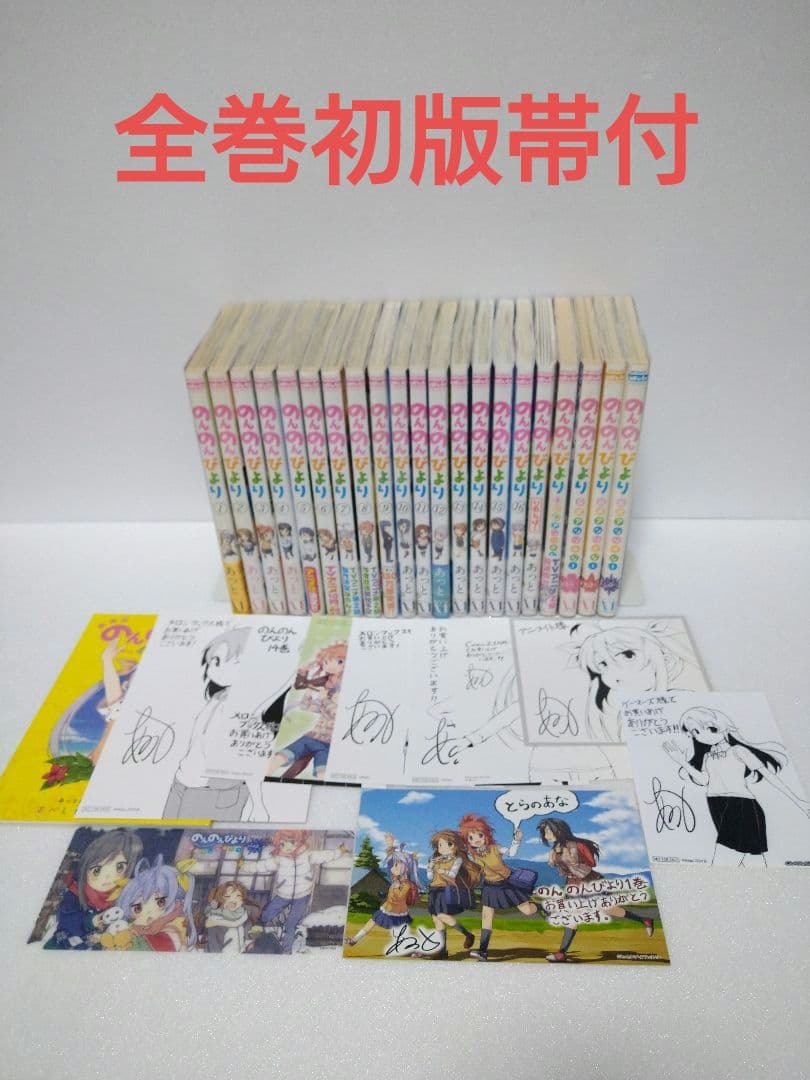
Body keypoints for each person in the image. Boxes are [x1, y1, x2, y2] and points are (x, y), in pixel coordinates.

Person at [664, 706, 810, 865]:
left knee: (723, 859)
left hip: (740, 805)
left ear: (720, 726)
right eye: (695, 733)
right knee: (753, 861)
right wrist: (682, 762)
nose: (701, 736)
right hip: (716, 804)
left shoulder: (738, 750)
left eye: (708, 728)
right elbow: (704, 781)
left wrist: (799, 802)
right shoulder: (707, 756)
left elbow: (769, 775)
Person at [163, 627, 267, 821]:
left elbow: (250, 759)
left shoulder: (252, 706)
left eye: (235, 661)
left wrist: (258, 804)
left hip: (214, 790)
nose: (217, 668)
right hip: (183, 780)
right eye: (216, 661)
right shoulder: (218, 697)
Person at [538, 817, 654, 962]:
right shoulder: (554, 850)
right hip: (574, 885)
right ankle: (561, 953)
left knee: (610, 910)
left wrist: (572, 859)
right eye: (544, 832)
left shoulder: (578, 845)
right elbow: (562, 868)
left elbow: (591, 863)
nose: (546, 835)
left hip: (591, 883)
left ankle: (645, 920)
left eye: (549, 831)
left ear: (559, 830)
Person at [574, 624, 685, 742]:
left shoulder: (681, 701)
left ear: (667, 660)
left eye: (628, 655)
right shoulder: (616, 714)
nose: (614, 673)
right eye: (603, 664)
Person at [44, 829, 143, 950]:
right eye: (97, 870)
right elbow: (66, 922)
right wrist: (92, 921)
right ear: (85, 868)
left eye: (119, 867)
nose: (107, 876)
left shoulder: (124, 897)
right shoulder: (74, 894)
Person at [458, 813, 537, 961]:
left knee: (527, 910)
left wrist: (517, 840)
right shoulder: (472, 855)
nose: (476, 840)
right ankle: (483, 951)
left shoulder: (495, 848)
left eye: (479, 835)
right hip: (490, 886)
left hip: (506, 883)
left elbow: (511, 853)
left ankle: (542, 907)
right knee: (486, 917)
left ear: (486, 835)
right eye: (471, 837)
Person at [265, 642, 348, 779]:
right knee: (283, 755)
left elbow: (336, 713)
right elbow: (310, 707)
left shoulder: (342, 690)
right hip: (312, 736)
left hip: (328, 744)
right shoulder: (328, 685)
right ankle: (265, 776)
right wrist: (308, 695)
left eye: (339, 662)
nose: (329, 667)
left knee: (322, 771)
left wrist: (325, 699)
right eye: (326, 662)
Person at [256, 830, 348, 952]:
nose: (287, 847)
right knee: (268, 912)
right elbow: (263, 866)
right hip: (283, 894)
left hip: (302, 895)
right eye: (283, 844)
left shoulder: (307, 855)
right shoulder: (278, 859)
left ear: (299, 842)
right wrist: (244, 866)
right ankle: (257, 931)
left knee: (291, 923)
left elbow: (325, 855)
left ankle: (286, 949)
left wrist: (339, 851)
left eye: (291, 842)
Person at [345, 845, 419, 950]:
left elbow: (399, 897)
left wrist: (396, 887)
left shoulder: (406, 885)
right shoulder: (396, 879)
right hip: (387, 908)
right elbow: (390, 861)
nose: (393, 868)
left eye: (396, 866)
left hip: (397, 912)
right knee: (372, 922)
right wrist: (390, 849)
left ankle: (411, 946)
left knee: (399, 931)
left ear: (405, 869)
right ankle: (354, 940)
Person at [117, 854, 196, 951]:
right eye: (138, 908)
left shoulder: (174, 928)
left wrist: (163, 920)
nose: (149, 914)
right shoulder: (127, 927)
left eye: (161, 902)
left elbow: (169, 946)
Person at [422, 830, 477, 958]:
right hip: (434, 890)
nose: (441, 848)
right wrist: (430, 867)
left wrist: (442, 871)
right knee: (436, 919)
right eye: (439, 845)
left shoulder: (457, 859)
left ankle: (467, 934)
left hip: (445, 890)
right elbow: (430, 878)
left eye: (445, 844)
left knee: (442, 915)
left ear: (454, 845)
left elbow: (452, 875)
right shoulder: (435, 859)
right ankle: (442, 951)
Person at [205, 881, 257, 953]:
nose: (233, 900)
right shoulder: (214, 919)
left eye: (238, 896)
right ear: (221, 899)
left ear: (242, 900)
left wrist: (251, 942)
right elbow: (213, 947)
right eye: (227, 896)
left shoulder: (245, 918)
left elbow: (247, 940)